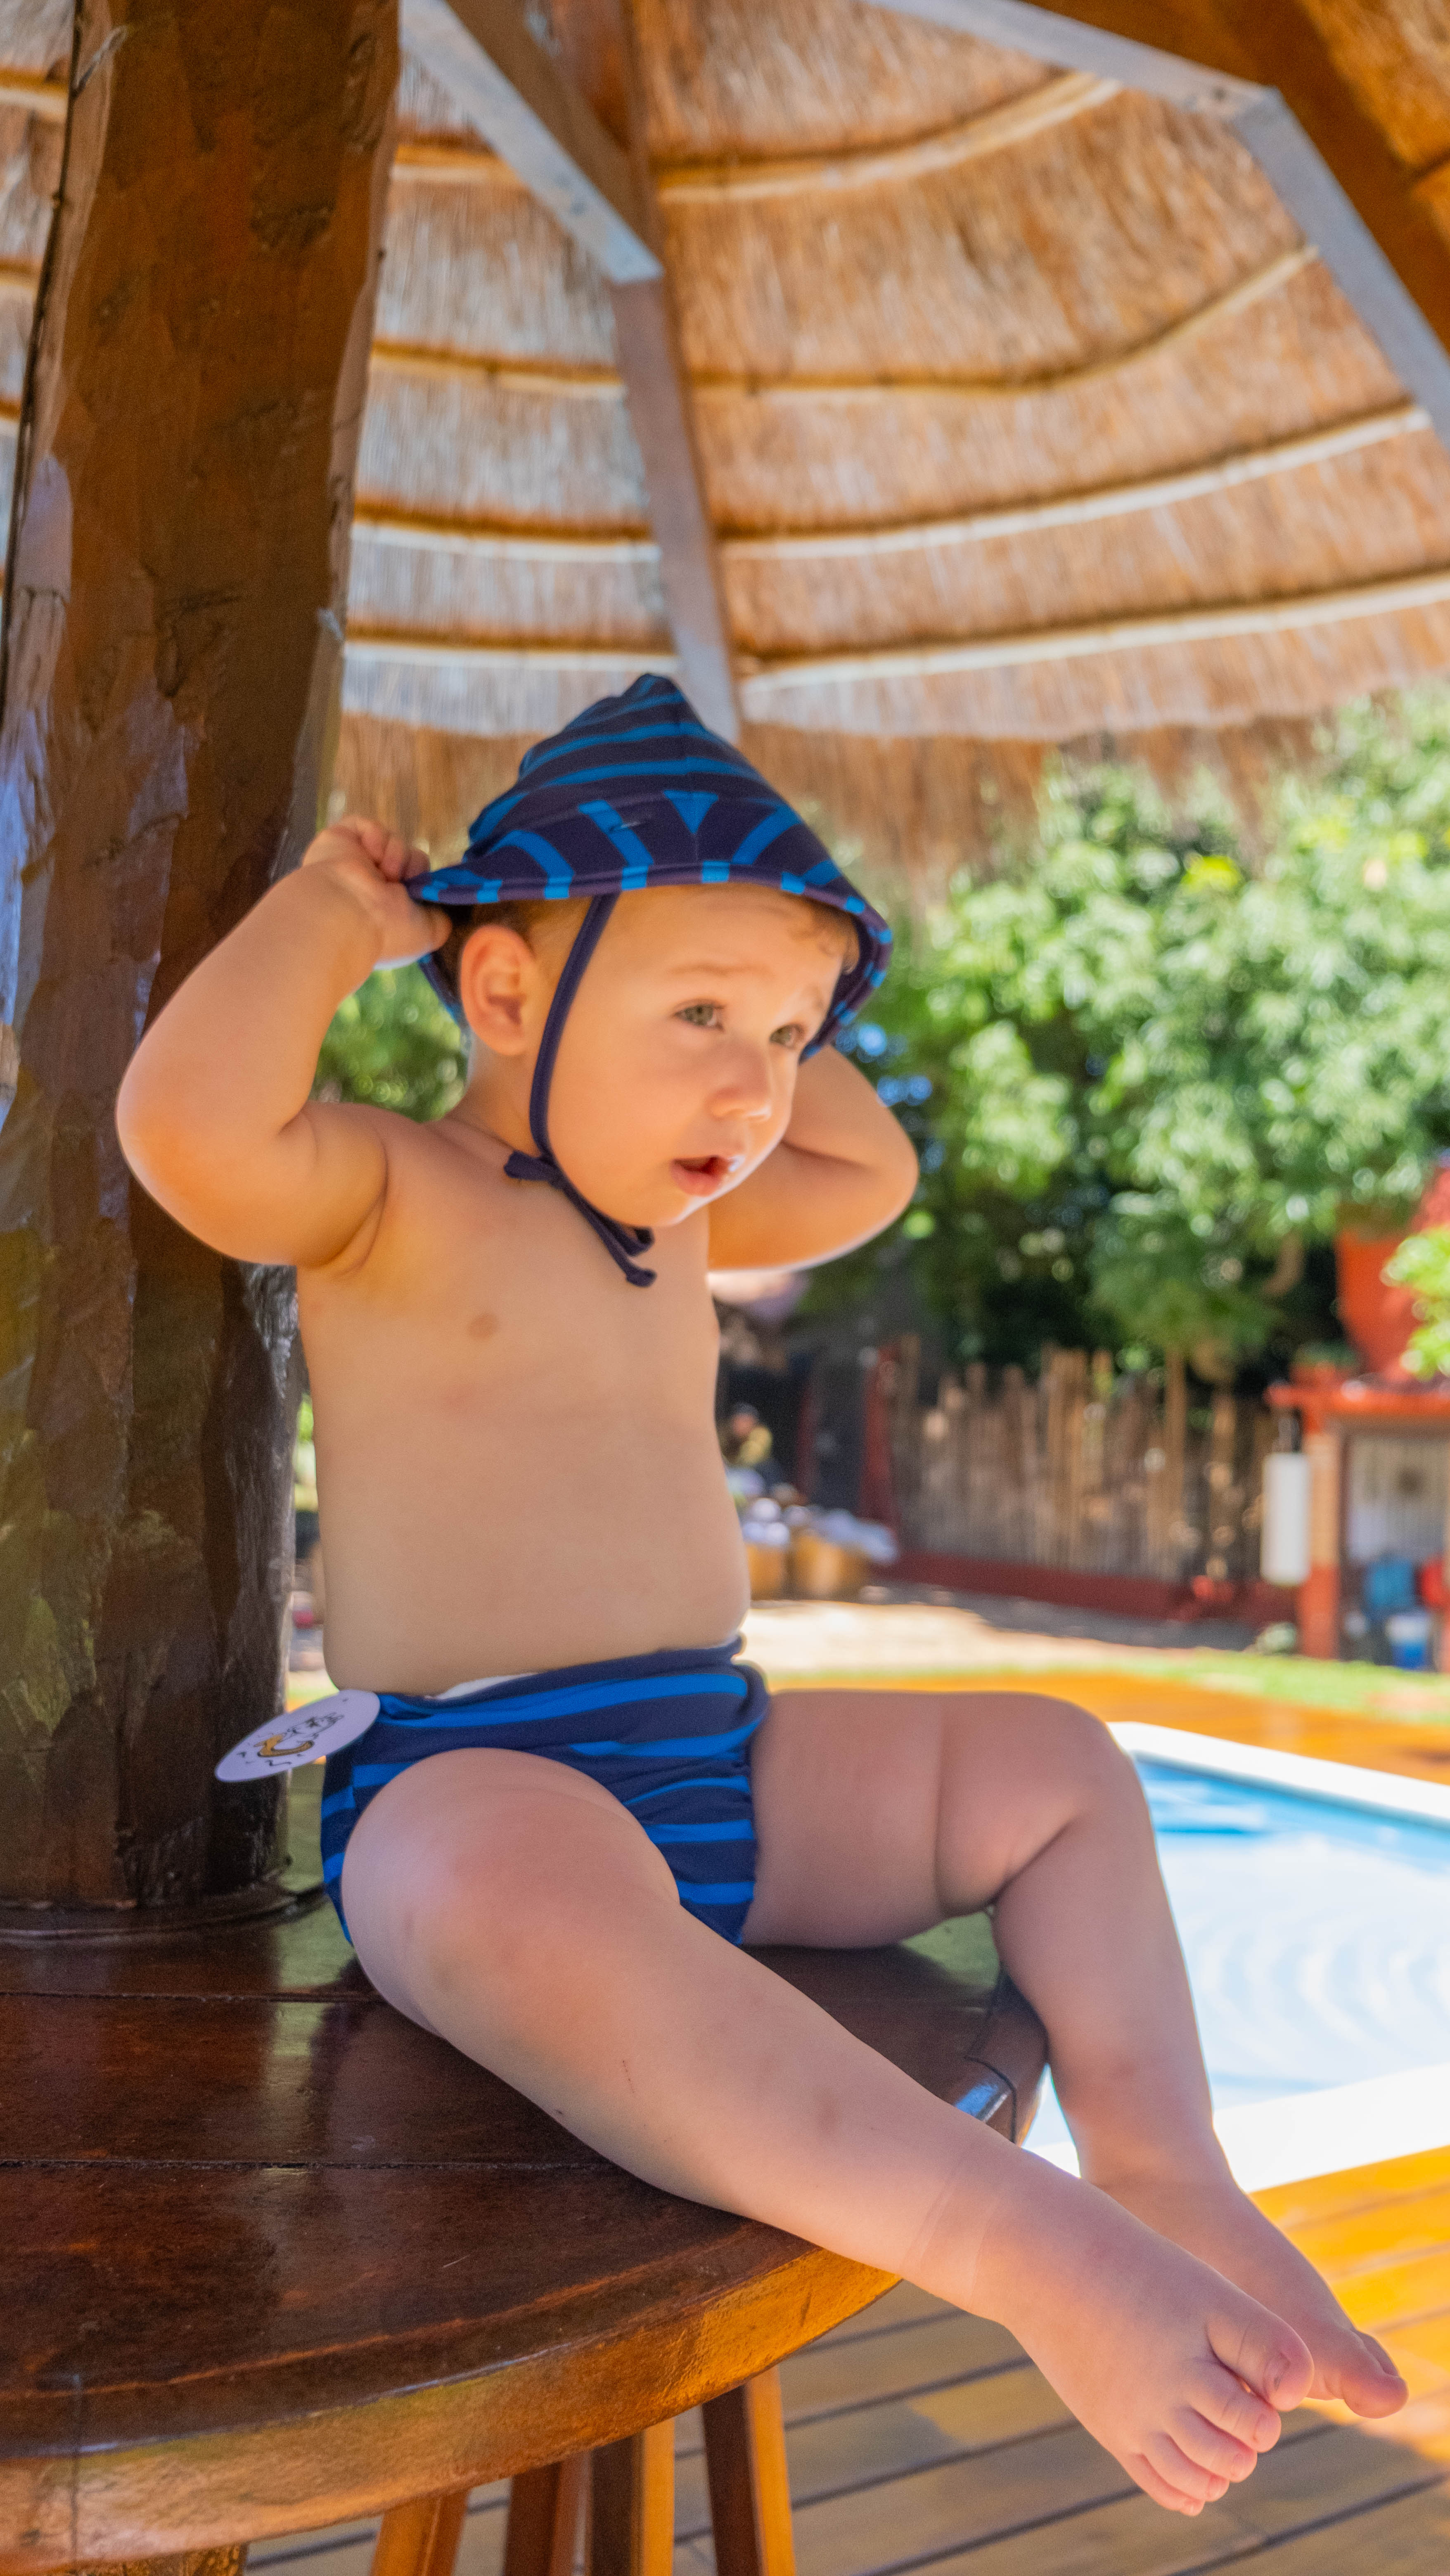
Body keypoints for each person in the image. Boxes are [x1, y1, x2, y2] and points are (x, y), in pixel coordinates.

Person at [117, 677, 1405, 2519]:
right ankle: (1013, 2241)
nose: (756, 1087)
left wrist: (766, 998)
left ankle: (1159, 2161)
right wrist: (341, 917)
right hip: (482, 1782)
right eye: (703, 1016)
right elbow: (183, 1125)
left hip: (721, 1753)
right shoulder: (390, 1188)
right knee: (502, 1906)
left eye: (793, 1034)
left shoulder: (686, 1219)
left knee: (1059, 1768)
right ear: (505, 999)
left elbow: (870, 1167)